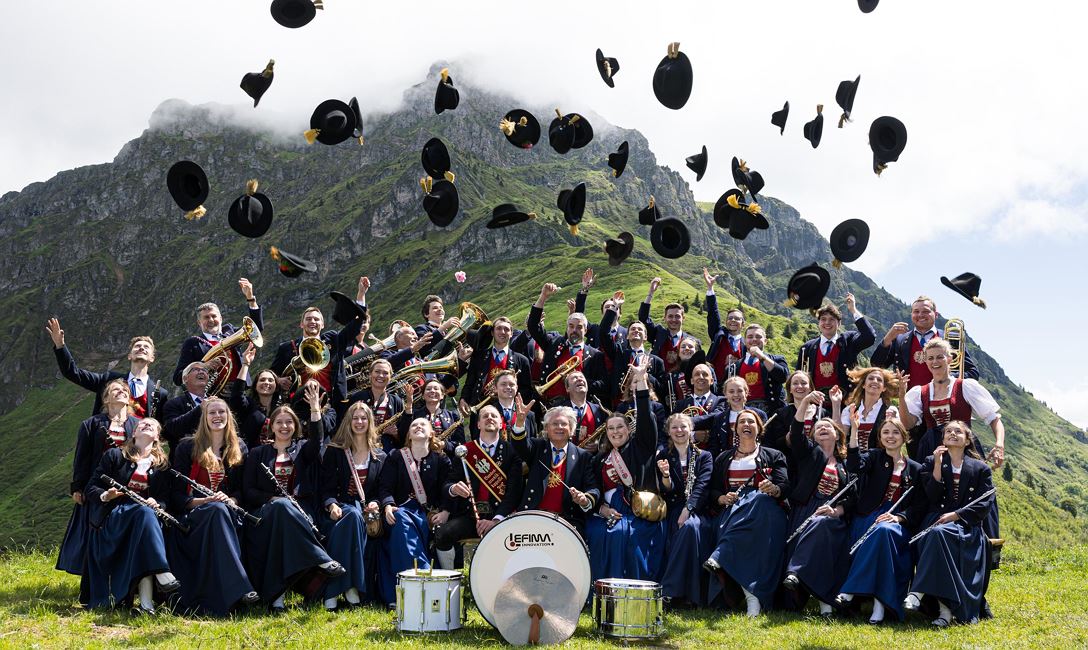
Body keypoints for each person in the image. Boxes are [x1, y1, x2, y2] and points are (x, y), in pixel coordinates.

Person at [242, 384, 343, 612]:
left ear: (295, 426)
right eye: (279, 422)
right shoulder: (258, 453)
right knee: (281, 508)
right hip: (264, 513)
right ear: (271, 426)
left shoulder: (303, 449)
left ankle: (277, 597)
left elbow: (317, 440)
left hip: (298, 513)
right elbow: (248, 491)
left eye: (289, 422)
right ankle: (319, 558)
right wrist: (272, 499)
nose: (284, 426)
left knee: (283, 532)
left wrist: (316, 409)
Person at [899, 338, 1004, 548]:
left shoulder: (966, 386)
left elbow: (994, 418)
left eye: (940, 357)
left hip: (964, 446)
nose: (935, 362)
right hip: (931, 448)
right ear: (925, 362)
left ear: (950, 359)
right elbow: (908, 423)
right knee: (929, 493)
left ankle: (982, 545)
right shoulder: (919, 392)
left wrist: (999, 444)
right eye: (930, 358)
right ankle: (926, 542)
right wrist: (901, 396)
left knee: (974, 491)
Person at [167, 398, 258, 615]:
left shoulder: (239, 448)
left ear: (228, 418)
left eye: (221, 413)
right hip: (194, 516)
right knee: (216, 510)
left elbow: (240, 492)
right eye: (211, 413)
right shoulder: (187, 446)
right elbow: (177, 496)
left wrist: (231, 501)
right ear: (204, 419)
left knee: (221, 511)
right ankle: (241, 588)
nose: (217, 416)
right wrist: (206, 501)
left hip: (227, 513)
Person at [57, 379, 139, 603]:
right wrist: (78, 487)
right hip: (97, 488)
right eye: (115, 390)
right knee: (94, 540)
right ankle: (93, 589)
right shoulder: (91, 424)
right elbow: (81, 458)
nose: (121, 392)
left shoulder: (137, 424)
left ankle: (123, 586)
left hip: (129, 489)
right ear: (106, 398)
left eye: (124, 390)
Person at [84, 418, 179, 612]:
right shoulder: (115, 455)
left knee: (145, 517)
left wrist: (157, 503)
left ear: (157, 437)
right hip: (115, 517)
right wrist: (106, 495)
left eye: (151, 426)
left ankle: (146, 606)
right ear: (134, 433)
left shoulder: (162, 466)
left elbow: (165, 499)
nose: (145, 426)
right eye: (141, 425)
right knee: (145, 515)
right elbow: (90, 488)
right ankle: (161, 571)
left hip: (146, 520)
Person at [906, 420, 995, 627]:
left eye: (958, 431)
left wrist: (956, 515)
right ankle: (944, 613)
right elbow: (931, 496)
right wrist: (937, 465)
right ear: (943, 438)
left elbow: (984, 503)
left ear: (967, 440)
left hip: (966, 526)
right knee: (937, 535)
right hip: (935, 519)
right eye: (948, 431)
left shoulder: (981, 468)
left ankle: (918, 593)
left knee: (938, 535)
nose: (952, 434)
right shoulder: (930, 461)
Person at [585, 361, 666, 583]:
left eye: (619, 427)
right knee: (597, 532)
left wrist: (640, 382)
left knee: (620, 534)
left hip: (636, 513)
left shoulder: (641, 447)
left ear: (628, 429)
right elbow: (594, 488)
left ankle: (629, 588)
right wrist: (601, 508)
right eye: (610, 428)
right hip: (608, 512)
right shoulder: (600, 459)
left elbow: (647, 419)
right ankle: (601, 590)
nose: (615, 432)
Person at [703, 410, 790, 617]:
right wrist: (721, 498)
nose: (747, 425)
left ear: (759, 428)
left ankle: (720, 555)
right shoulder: (724, 458)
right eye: (742, 421)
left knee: (758, 498)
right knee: (742, 531)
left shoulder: (774, 455)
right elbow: (713, 490)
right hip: (733, 511)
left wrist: (775, 489)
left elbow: (784, 485)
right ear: (736, 428)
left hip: (767, 512)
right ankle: (753, 598)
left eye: (751, 421)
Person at [836, 416, 921, 624]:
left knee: (883, 531)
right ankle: (879, 605)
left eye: (895, 432)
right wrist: (854, 431)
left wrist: (899, 518)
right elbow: (854, 465)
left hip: (896, 523)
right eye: (885, 433)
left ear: (904, 436)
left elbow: (920, 505)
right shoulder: (874, 457)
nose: (890, 437)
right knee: (880, 534)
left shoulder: (916, 469)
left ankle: (850, 589)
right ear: (880, 438)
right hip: (868, 517)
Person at [782, 391, 856, 616]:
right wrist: (804, 402)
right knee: (817, 527)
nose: (823, 428)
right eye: (818, 427)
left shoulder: (845, 464)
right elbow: (795, 434)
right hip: (806, 510)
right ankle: (814, 594)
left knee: (825, 529)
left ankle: (803, 579)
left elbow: (853, 496)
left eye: (828, 426)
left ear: (838, 434)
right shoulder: (808, 453)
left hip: (833, 517)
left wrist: (836, 511)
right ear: (812, 435)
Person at [434, 404, 525, 569]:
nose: (489, 418)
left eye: (494, 416)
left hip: (501, 517)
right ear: (478, 424)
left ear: (500, 424)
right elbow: (448, 482)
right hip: (470, 517)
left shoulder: (511, 451)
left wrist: (496, 520)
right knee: (442, 534)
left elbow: (514, 492)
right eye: (485, 416)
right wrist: (453, 489)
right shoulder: (465, 451)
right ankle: (451, 579)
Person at [376, 417, 454, 607]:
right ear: (408, 435)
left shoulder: (441, 460)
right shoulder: (396, 456)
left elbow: (448, 487)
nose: (418, 427)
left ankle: (403, 591)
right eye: (414, 425)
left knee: (402, 527)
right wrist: (387, 505)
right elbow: (384, 487)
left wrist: (446, 512)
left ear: (431, 433)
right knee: (400, 519)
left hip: (427, 517)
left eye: (423, 425)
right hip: (397, 512)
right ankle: (421, 580)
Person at [320, 401, 387, 611]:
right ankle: (351, 588)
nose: (359, 422)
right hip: (340, 508)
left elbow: (380, 490)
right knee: (351, 517)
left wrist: (376, 502)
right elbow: (326, 488)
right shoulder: (335, 451)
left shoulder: (379, 456)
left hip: (367, 513)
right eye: (355, 418)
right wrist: (331, 506)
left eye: (363, 418)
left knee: (354, 519)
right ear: (348, 422)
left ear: (370, 422)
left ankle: (335, 589)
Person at [270, 277, 370, 413]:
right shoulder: (287, 347)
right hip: (297, 404)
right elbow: (271, 373)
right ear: (301, 324)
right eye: (308, 319)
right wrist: (279, 380)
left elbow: (355, 326)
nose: (313, 322)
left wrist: (361, 294)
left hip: (331, 403)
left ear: (322, 324)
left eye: (316, 319)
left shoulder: (333, 340)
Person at [509, 396, 600, 532]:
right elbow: (520, 445)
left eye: (564, 424)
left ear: (571, 429)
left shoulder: (583, 457)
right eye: (555, 424)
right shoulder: (537, 447)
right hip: (533, 516)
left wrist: (584, 499)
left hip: (566, 521)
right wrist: (520, 422)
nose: (559, 427)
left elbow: (593, 488)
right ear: (546, 429)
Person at [47, 319, 168, 420]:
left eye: (146, 347)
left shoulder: (160, 394)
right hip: (107, 444)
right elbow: (73, 373)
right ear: (129, 356)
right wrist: (60, 346)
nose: (141, 348)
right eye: (137, 346)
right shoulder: (109, 380)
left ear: (152, 358)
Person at [656, 412, 714, 608]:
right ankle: (688, 595)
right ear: (669, 432)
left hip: (697, 509)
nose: (679, 431)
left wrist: (688, 509)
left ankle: (669, 590)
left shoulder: (704, 456)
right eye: (675, 427)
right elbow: (666, 490)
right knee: (686, 530)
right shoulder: (664, 455)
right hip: (673, 509)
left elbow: (702, 486)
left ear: (691, 430)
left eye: (683, 427)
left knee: (690, 527)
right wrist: (665, 476)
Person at [869, 295, 978, 388]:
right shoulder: (900, 340)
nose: (920, 315)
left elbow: (973, 373)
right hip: (909, 404)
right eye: (916, 311)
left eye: (926, 311)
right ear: (911, 315)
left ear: (936, 314)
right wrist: (887, 339)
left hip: (944, 402)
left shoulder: (950, 339)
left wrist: (948, 377)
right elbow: (876, 365)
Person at [172, 278, 263, 386]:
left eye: (214, 316)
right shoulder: (193, 343)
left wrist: (250, 298)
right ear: (199, 323)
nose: (211, 320)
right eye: (206, 317)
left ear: (220, 318)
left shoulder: (231, 332)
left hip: (238, 391)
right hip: (211, 396)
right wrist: (203, 366)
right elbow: (178, 377)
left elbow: (255, 329)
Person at [527, 282, 599, 404]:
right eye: (571, 326)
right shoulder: (553, 344)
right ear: (566, 328)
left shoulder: (595, 354)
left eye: (579, 327)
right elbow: (533, 326)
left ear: (586, 330)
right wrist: (543, 296)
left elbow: (602, 384)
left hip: (581, 405)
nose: (574, 330)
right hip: (554, 404)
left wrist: (578, 380)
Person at [795, 294, 876, 395]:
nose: (827, 323)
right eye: (823, 319)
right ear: (818, 323)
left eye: (832, 319)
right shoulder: (807, 348)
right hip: (815, 405)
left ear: (839, 323)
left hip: (845, 403)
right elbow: (798, 377)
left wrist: (853, 309)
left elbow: (870, 336)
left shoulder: (849, 341)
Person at [598, 293, 667, 406]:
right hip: (622, 404)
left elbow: (662, 389)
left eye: (640, 329)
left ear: (645, 337)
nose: (636, 331)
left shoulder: (656, 361)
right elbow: (603, 333)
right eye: (632, 329)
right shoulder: (619, 353)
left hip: (649, 404)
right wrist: (614, 307)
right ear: (627, 336)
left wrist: (645, 375)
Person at [459, 316, 533, 411]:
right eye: (498, 328)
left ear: (511, 334)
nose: (502, 332)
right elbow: (469, 383)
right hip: (480, 408)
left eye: (506, 329)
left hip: (509, 410)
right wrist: (463, 398)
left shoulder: (521, 360)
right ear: (492, 333)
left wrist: (507, 393)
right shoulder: (479, 357)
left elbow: (526, 390)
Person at [691, 377, 768, 457]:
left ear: (746, 392)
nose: (736, 394)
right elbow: (714, 446)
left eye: (740, 391)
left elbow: (767, 443)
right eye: (731, 391)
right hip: (727, 464)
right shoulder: (719, 418)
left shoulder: (759, 415)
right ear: (726, 394)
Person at [230, 344, 288, 448]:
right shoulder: (248, 406)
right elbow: (237, 394)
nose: (266, 383)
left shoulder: (283, 409)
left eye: (271, 380)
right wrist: (245, 364)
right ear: (255, 386)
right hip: (251, 456)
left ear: (276, 386)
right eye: (262, 380)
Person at [723, 324, 788, 414]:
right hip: (742, 410)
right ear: (745, 341)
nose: (754, 339)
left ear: (765, 341)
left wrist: (762, 357)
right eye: (750, 337)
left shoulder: (777, 359)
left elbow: (783, 377)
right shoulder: (734, 366)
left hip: (771, 410)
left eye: (758, 336)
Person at [831, 367, 898, 455]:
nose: (875, 381)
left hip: (879, 463)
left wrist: (892, 424)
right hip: (853, 462)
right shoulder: (850, 410)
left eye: (879, 380)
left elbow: (896, 442)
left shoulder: (890, 411)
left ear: (884, 388)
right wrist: (836, 405)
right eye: (870, 378)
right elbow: (840, 437)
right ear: (863, 385)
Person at [345, 358, 407, 452]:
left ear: (391, 376)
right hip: (358, 449)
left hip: (386, 452)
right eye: (377, 371)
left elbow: (403, 438)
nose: (381, 375)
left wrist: (396, 434)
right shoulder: (357, 398)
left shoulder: (396, 401)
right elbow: (346, 426)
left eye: (386, 373)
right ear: (370, 375)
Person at [702, 268, 746, 382]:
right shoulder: (719, 335)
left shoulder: (747, 344)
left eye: (737, 319)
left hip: (738, 388)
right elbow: (713, 314)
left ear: (743, 324)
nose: (733, 320)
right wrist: (710, 288)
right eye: (730, 318)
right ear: (726, 322)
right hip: (716, 385)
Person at [638, 277, 689, 374]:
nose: (674, 319)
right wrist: (651, 293)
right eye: (670, 316)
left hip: (680, 384)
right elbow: (643, 318)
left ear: (683, 318)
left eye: (677, 316)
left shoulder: (690, 341)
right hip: (658, 380)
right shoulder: (658, 333)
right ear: (664, 318)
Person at [162, 362, 211, 459]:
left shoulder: (218, 402)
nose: (201, 372)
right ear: (185, 379)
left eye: (205, 370)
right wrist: (200, 409)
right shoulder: (173, 404)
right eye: (195, 369)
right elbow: (172, 428)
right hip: (186, 460)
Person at [553, 371, 609, 448]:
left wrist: (598, 445)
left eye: (582, 377)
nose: (579, 379)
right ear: (567, 389)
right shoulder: (558, 410)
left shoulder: (599, 409)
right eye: (574, 378)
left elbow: (606, 437)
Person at [399, 378, 460, 447]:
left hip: (445, 455)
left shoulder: (453, 416)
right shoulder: (413, 414)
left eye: (436, 389)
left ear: (442, 395)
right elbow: (402, 437)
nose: (432, 391)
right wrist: (409, 404)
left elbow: (459, 443)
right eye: (428, 389)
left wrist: (444, 445)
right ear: (423, 396)